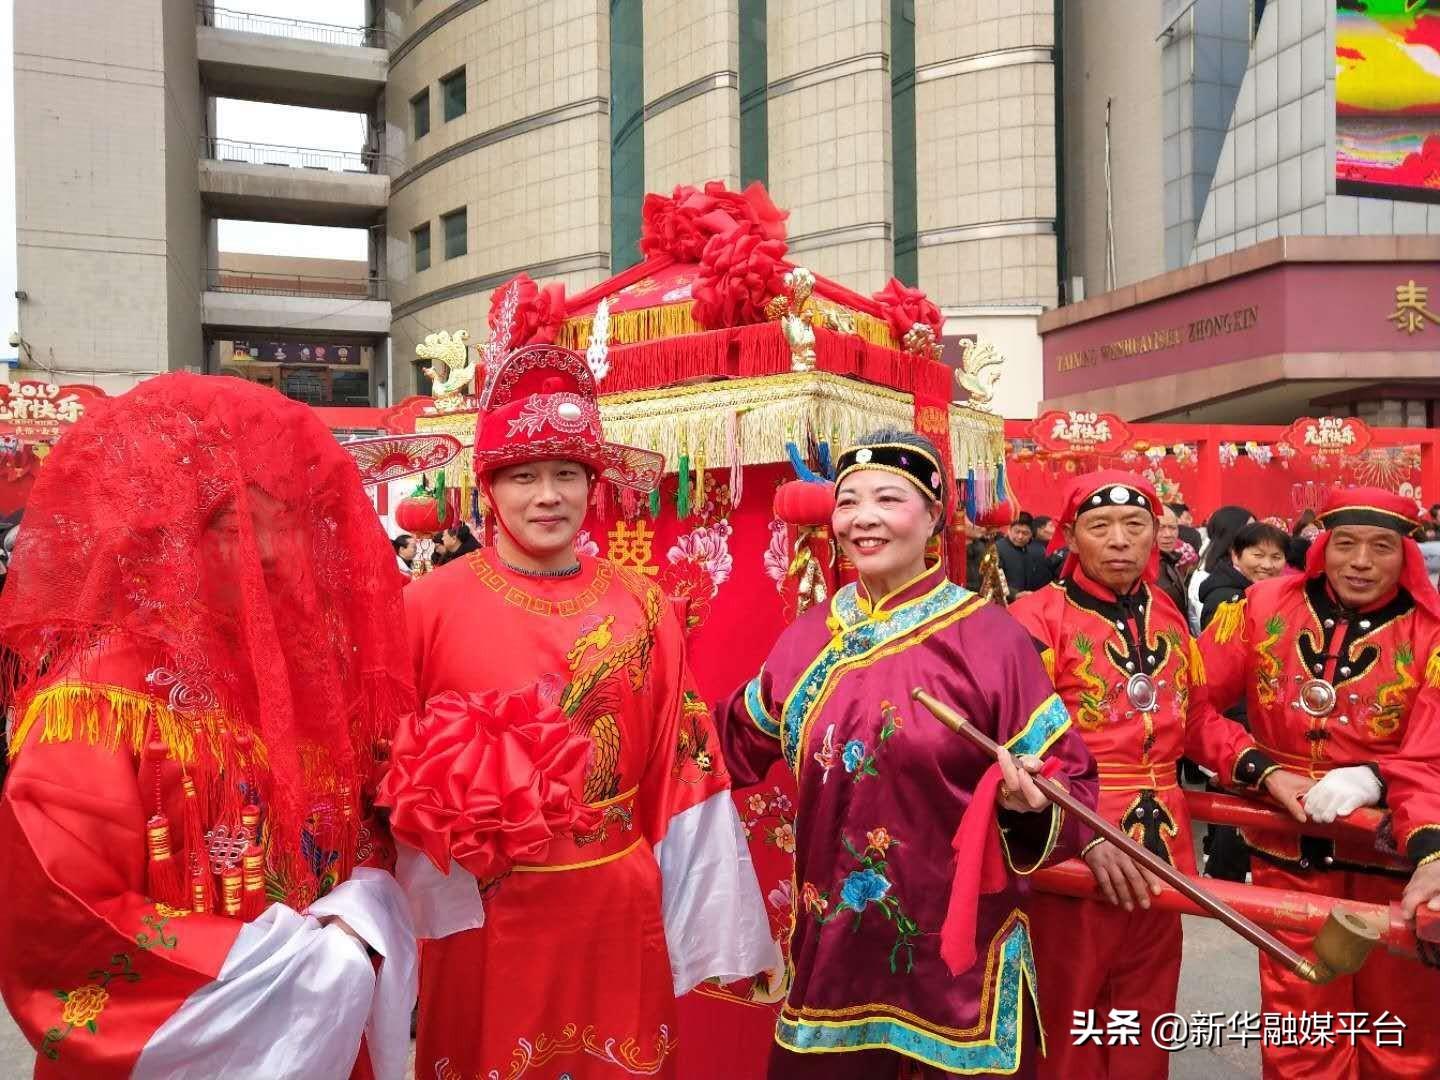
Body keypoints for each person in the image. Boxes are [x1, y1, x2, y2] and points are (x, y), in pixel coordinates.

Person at [0, 374, 418, 1079]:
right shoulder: (101, 697)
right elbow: (57, 903)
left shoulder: (322, 679)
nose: (266, 551)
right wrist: (277, 966)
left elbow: (369, 829)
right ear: (171, 537)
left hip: (324, 1024)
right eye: (231, 523)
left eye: (283, 516)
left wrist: (370, 904)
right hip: (182, 1040)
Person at [393, 344, 774, 1080]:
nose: (548, 496)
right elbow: (388, 761)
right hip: (481, 913)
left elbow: (683, 757)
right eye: (524, 476)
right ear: (489, 489)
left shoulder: (642, 603)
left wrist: (697, 909)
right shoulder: (427, 605)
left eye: (567, 475)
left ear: (592, 486)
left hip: (613, 905)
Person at [719, 430, 1099, 1079]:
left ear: (932, 516)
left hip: (960, 975)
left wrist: (1028, 805)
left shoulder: (990, 640)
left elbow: (1073, 786)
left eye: (888, 499)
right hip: (830, 961)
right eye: (848, 501)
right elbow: (727, 747)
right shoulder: (806, 639)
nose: (863, 517)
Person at [1009, 471, 1304, 1080]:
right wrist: (1077, 830)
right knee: (1069, 1017)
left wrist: (1265, 771)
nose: (1119, 540)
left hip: (1163, 846)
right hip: (1075, 844)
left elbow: (1195, 719)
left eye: (1134, 525)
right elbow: (1021, 743)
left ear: (1156, 536)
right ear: (1069, 538)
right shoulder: (1035, 618)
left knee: (1145, 1014)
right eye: (1100, 526)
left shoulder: (1168, 613)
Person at [1198, 487, 1440, 1080]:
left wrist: (1378, 777)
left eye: (1381, 547)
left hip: (1396, 866)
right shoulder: (1260, 608)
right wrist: (1261, 768)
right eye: (1347, 544)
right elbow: (1187, 704)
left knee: (1403, 1035)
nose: (1360, 561)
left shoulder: (1431, 634)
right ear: (1324, 544)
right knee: (1300, 1030)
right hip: (1287, 853)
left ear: (1405, 552)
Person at [1197, 520, 1289, 630]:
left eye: (1276, 557)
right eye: (1258, 555)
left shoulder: (1275, 592)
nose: (1267, 565)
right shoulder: (1226, 602)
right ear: (1235, 556)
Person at [1185, 505, 1254, 634]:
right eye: (1250, 529)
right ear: (1232, 533)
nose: (1256, 535)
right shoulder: (1209, 575)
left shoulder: (1237, 567)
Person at [996, 511, 1053, 600]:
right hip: (1004, 603)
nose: (1020, 536)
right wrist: (1015, 595)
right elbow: (994, 581)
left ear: (1031, 535)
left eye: (1025, 533)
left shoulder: (1031, 551)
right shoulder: (997, 549)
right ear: (1009, 530)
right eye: (1017, 532)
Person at [1154, 504, 1190, 613]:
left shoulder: (1171, 561)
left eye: (1173, 528)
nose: (1168, 534)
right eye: (1161, 528)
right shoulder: (1142, 569)